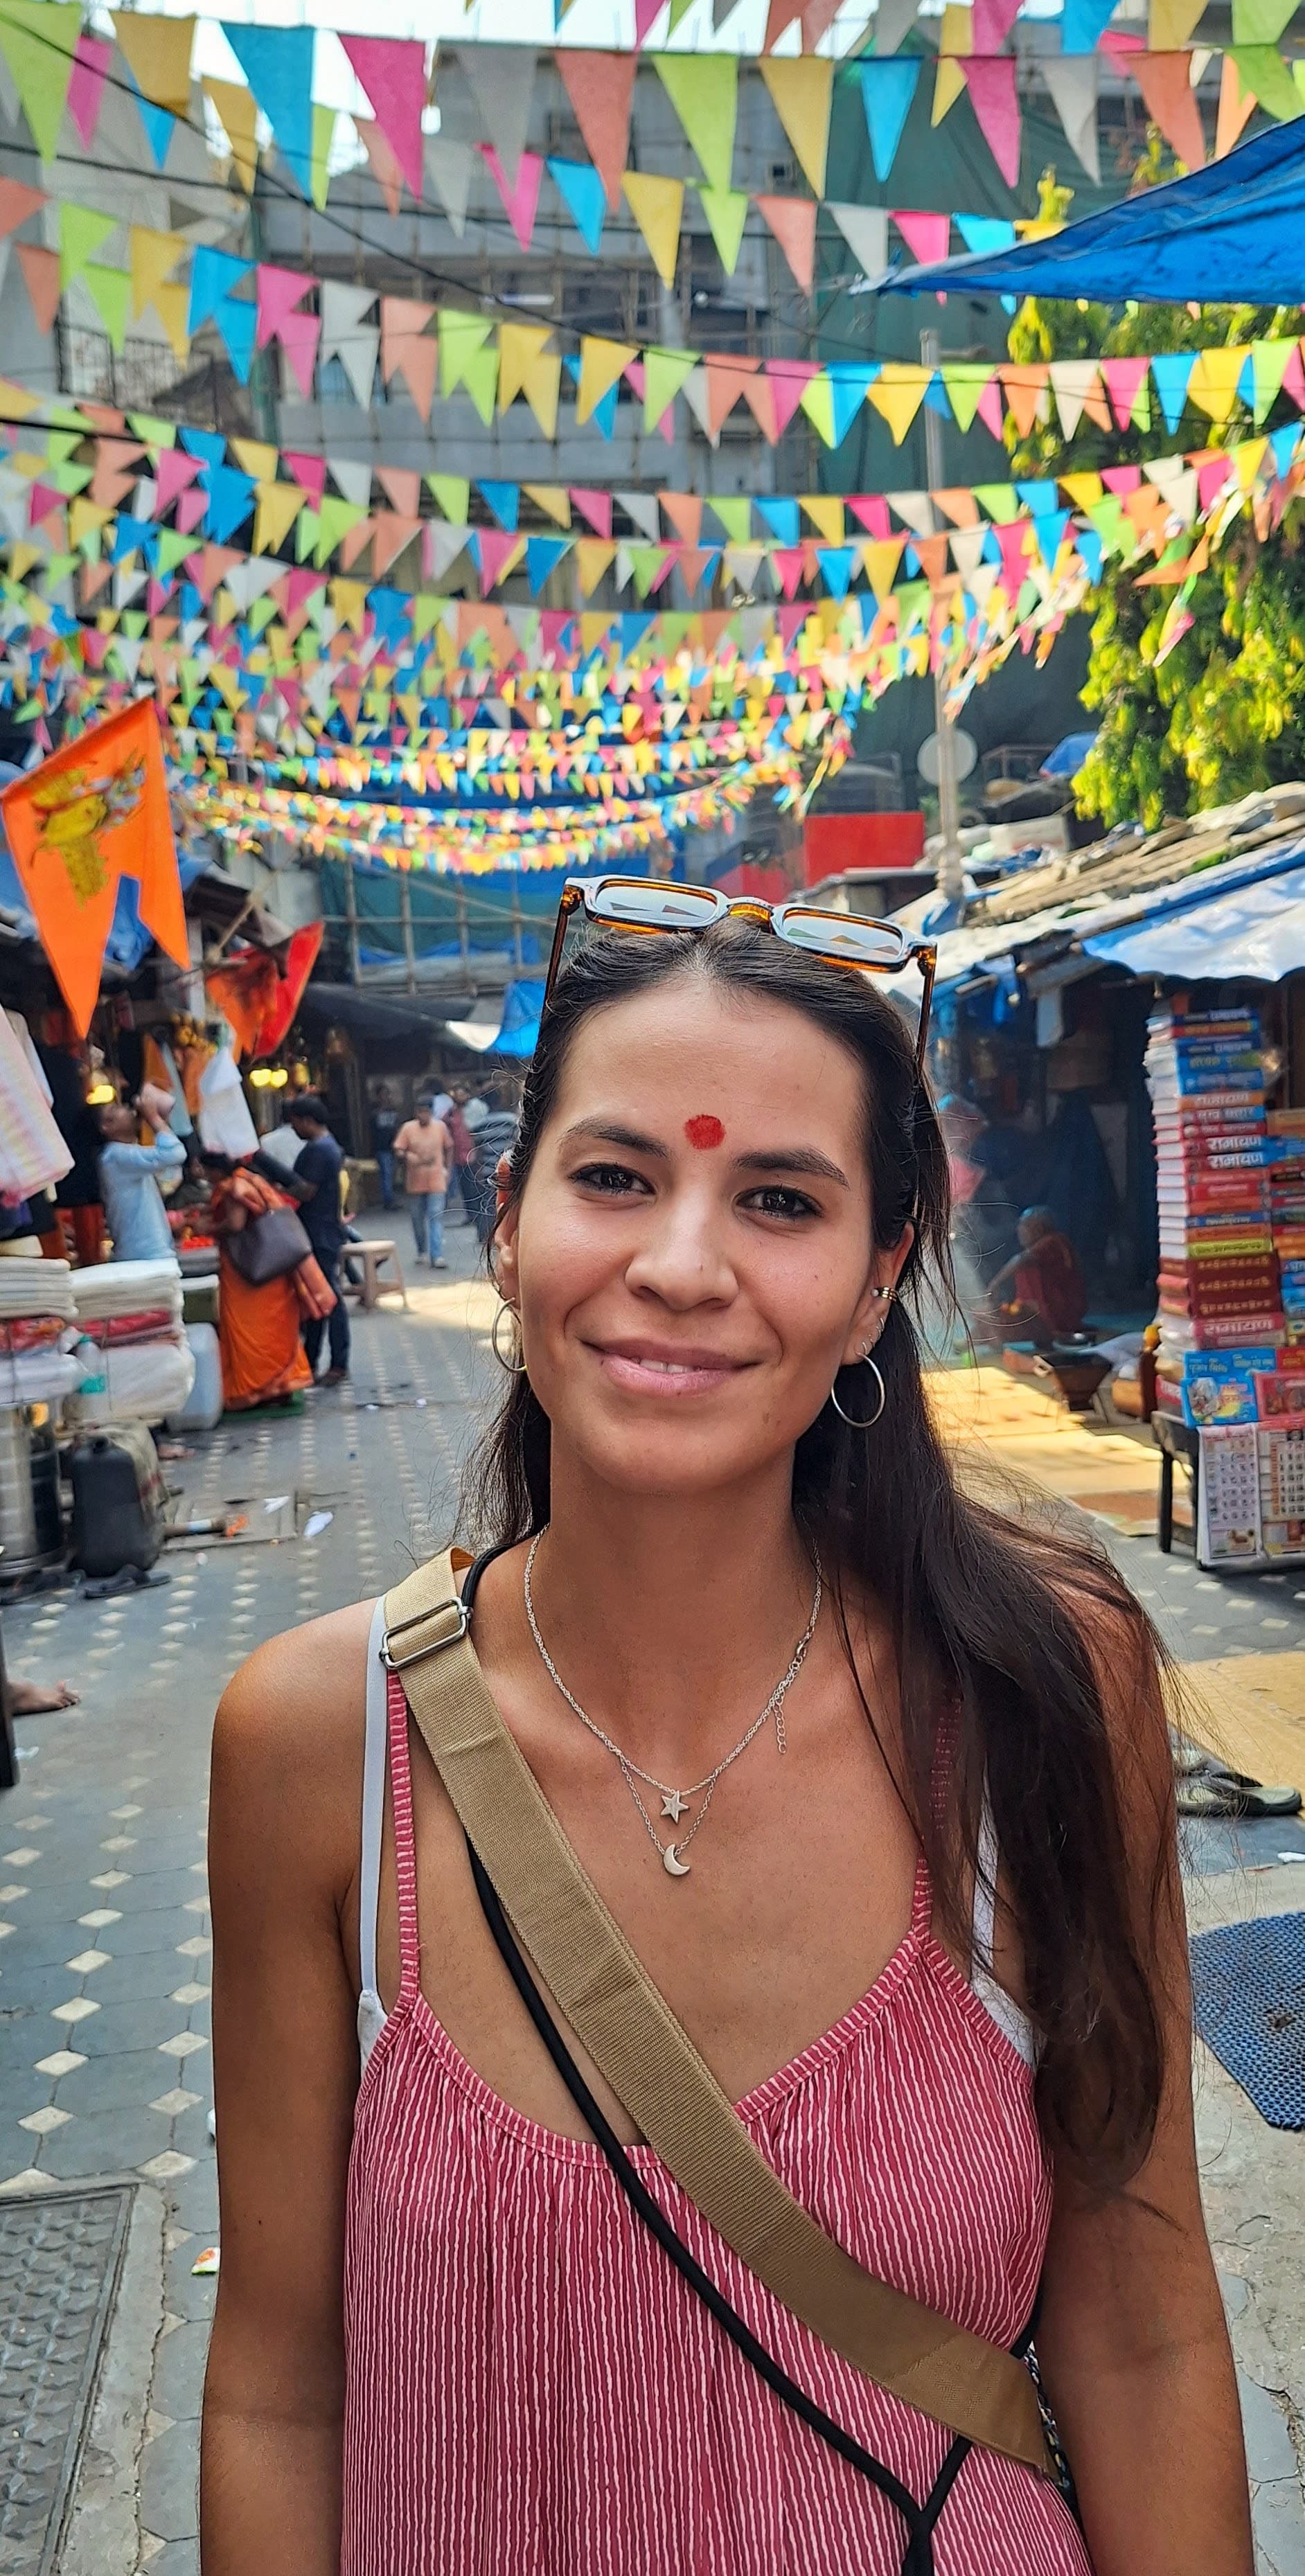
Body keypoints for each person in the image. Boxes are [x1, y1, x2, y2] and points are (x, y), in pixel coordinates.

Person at [202, 901, 1252, 2576]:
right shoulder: (321, 1744)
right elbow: (277, 2383)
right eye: (614, 1175)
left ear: (877, 1276)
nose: (683, 1263)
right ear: (507, 1222)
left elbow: (1142, 2325)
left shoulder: (1040, 1685)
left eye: (779, 1198)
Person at [206, 1151, 336, 1412]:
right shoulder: (249, 1179)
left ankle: (255, 1391)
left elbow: (235, 1224)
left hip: (249, 1273)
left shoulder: (235, 1189)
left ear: (215, 1170)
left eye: (204, 1168)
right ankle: (280, 1386)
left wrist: (206, 1228)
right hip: (271, 1269)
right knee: (274, 1328)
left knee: (251, 1330)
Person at [283, 1096, 350, 1385]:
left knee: (328, 1298)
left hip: (319, 1232)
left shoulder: (318, 1150)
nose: (294, 1128)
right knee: (318, 1298)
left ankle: (337, 1363)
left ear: (306, 1120)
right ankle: (311, 1360)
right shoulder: (328, 1145)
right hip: (323, 1230)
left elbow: (305, 1191)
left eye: (295, 1122)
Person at [98, 1083, 187, 1262]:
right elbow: (175, 1153)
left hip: (145, 1252)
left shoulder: (123, 1154)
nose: (127, 1108)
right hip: (145, 1255)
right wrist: (153, 1118)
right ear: (107, 1126)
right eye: (116, 1109)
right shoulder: (116, 1155)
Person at [987, 1207, 1090, 1347]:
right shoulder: (1042, 1246)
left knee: (999, 1322)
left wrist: (995, 1283)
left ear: (1039, 1228)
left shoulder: (1053, 1242)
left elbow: (1021, 1260)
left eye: (1024, 1225)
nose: (1019, 1230)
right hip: (1042, 1314)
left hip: (1059, 1315)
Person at [393, 1092, 452, 1268]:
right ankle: (422, 1250)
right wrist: (409, 1157)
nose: (422, 1115)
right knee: (417, 1219)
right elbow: (398, 1149)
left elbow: (449, 1147)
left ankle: (437, 1255)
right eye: (419, 1112)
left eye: (426, 1112)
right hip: (415, 1181)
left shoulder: (440, 1127)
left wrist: (447, 1170)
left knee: (436, 1217)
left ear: (431, 1112)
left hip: (436, 1179)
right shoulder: (408, 1129)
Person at [470, 1084, 516, 1246]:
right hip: (509, 1169)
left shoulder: (480, 1125)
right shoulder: (510, 1121)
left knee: (488, 1204)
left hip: (488, 1170)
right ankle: (507, 1233)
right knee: (508, 1202)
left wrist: (479, 1170)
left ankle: (485, 1235)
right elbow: (515, 1144)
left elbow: (478, 1152)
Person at [443, 1085, 480, 1225]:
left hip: (473, 1154)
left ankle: (478, 1214)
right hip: (458, 1156)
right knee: (465, 1188)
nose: (459, 1097)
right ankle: (470, 1214)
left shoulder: (474, 1109)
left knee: (474, 1186)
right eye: (457, 1095)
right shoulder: (452, 1112)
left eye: (462, 1094)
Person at [368, 1083, 400, 1211]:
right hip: (382, 1146)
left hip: (393, 1145)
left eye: (387, 1094)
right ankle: (388, 1200)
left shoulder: (393, 1110)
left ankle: (390, 1197)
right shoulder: (375, 1111)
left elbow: (396, 1126)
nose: (386, 1096)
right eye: (383, 1094)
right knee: (386, 1174)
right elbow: (372, 1130)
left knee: (391, 1173)